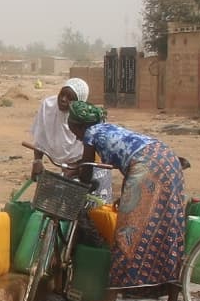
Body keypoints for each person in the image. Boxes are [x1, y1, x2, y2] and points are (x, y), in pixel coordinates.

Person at [65, 101, 187, 289]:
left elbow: (87, 173)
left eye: (73, 129)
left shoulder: (90, 134)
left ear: (77, 125)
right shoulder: (107, 129)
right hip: (168, 158)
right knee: (169, 228)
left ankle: (109, 300)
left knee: (127, 232)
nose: (74, 135)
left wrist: (74, 176)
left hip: (146, 166)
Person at [24, 78, 90, 177]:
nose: (63, 99)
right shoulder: (48, 106)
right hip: (67, 166)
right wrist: (37, 161)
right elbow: (40, 136)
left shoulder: (86, 117)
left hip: (84, 165)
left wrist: (77, 169)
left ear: (79, 103)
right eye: (62, 94)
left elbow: (90, 151)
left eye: (70, 98)